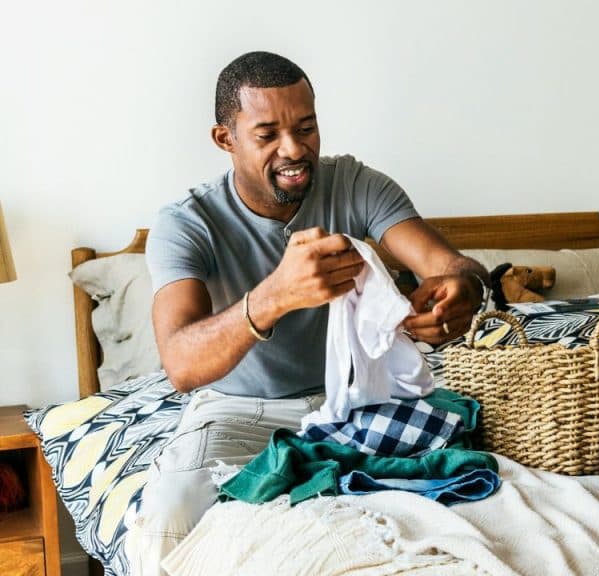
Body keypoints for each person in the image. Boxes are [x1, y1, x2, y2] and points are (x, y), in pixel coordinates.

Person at [127, 51, 489, 575]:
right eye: (267, 134)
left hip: (361, 399)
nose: (294, 150)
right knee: (166, 522)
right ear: (225, 139)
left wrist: (463, 290)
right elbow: (181, 364)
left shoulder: (356, 184)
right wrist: (275, 295)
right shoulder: (187, 224)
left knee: (475, 469)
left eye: (306, 128)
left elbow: (450, 265)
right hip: (239, 410)